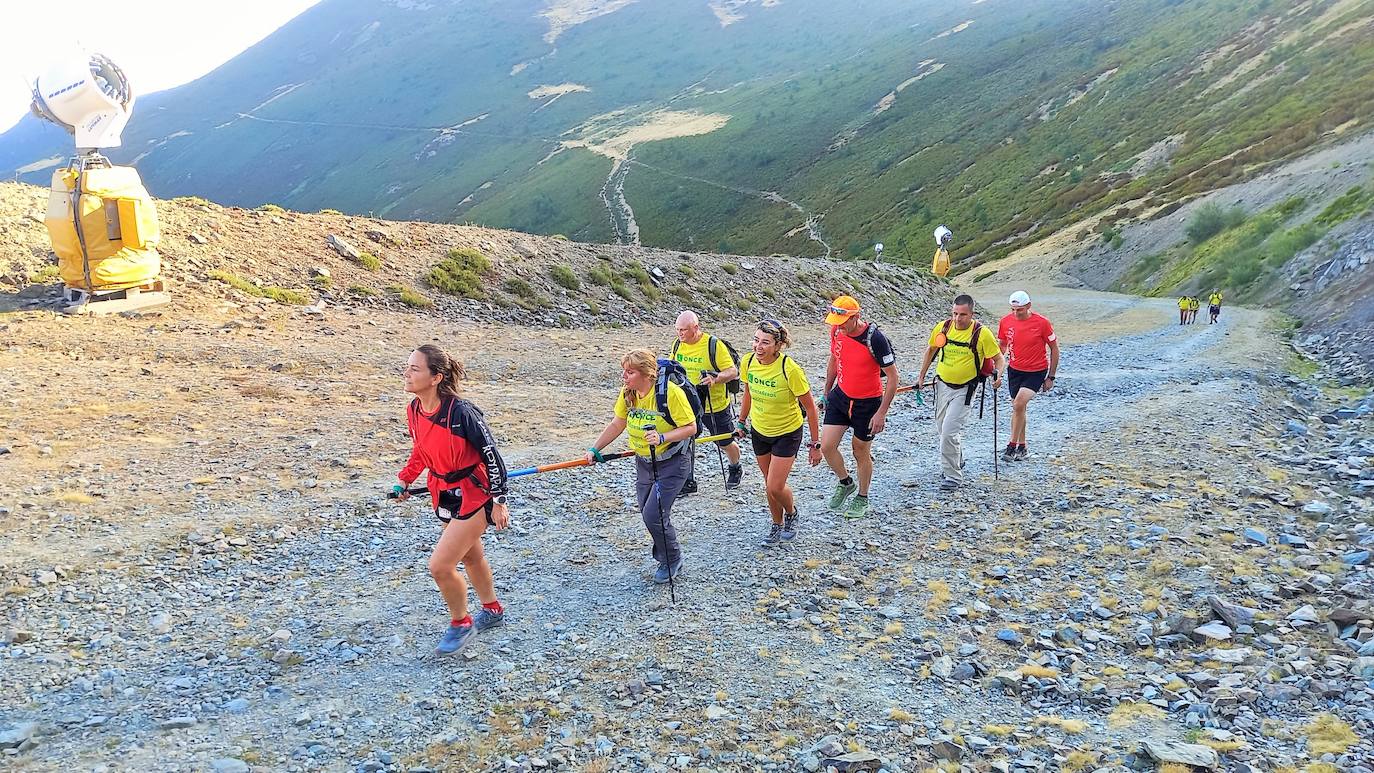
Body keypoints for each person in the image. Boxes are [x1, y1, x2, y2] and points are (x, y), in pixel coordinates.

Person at [395, 344, 511, 656]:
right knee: (471, 557)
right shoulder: (415, 410)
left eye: (415, 368)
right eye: (408, 367)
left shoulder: (462, 412)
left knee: (441, 566)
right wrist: (406, 478)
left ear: (436, 377)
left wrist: (499, 500)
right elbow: (422, 449)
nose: (406, 373)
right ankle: (493, 609)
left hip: (475, 493)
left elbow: (492, 456)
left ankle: (461, 623)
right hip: (442, 491)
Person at [586, 350, 697, 584]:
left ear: (646, 374)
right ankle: (668, 555)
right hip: (644, 463)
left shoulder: (670, 394)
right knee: (649, 514)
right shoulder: (628, 394)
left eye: (630, 372)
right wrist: (595, 449)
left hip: (673, 463)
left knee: (653, 514)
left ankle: (671, 558)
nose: (624, 376)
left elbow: (690, 427)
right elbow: (618, 423)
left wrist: (663, 437)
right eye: (624, 371)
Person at [736, 319, 823, 544]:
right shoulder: (747, 362)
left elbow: (811, 408)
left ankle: (792, 513)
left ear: (778, 345)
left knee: (775, 485)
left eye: (765, 342)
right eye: (756, 341)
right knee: (769, 484)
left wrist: (815, 445)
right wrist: (741, 421)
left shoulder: (789, 369)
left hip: (787, 431)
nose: (758, 347)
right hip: (760, 430)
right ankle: (777, 524)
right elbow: (748, 392)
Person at [917, 295, 1005, 491]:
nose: (957, 319)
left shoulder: (982, 334)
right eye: (955, 313)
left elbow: (999, 359)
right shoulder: (943, 327)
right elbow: (931, 350)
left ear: (972, 314)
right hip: (941, 385)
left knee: (949, 432)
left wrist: (998, 376)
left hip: (965, 389)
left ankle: (953, 477)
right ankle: (957, 459)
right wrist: (921, 376)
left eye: (963, 315)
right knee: (942, 429)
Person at [821, 295, 898, 519]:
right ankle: (846, 482)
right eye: (835, 321)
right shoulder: (836, 331)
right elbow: (835, 359)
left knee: (860, 450)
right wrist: (827, 390)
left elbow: (893, 378)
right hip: (841, 396)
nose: (838, 326)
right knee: (827, 446)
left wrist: (881, 413)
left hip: (868, 403)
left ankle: (863, 497)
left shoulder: (876, 339)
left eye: (843, 321)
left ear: (856, 317)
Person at [671, 311, 744, 491]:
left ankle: (735, 467)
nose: (680, 334)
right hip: (687, 403)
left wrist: (716, 378)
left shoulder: (713, 345)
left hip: (715, 404)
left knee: (724, 442)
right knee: (685, 440)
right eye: (678, 330)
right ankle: (687, 480)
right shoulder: (677, 345)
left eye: (684, 330)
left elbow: (733, 371)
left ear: (696, 328)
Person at [998, 291, 1059, 462]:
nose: (1016, 314)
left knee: (1018, 404)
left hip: (1036, 371)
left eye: (1020, 310)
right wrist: (996, 368)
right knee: (1019, 409)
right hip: (1015, 370)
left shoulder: (1042, 323)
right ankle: (1022, 447)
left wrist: (1051, 377)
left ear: (1029, 306)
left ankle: (1011, 446)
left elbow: (1054, 348)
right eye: (1013, 310)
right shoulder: (1005, 322)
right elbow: (1002, 346)